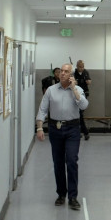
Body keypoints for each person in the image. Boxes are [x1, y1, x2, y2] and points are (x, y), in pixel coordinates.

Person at [36, 63, 89, 210]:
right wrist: (40, 127)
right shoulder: (51, 91)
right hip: (55, 129)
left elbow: (84, 106)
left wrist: (74, 89)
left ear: (71, 75)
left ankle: (73, 197)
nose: (63, 74)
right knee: (58, 162)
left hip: (72, 129)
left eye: (66, 72)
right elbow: (42, 109)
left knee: (72, 161)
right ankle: (61, 194)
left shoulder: (78, 89)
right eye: (62, 71)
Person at [74, 60, 92, 140]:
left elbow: (89, 82)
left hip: (84, 95)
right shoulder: (74, 73)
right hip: (76, 94)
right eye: (80, 66)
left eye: (82, 67)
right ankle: (84, 132)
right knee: (78, 114)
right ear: (77, 66)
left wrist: (87, 81)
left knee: (80, 114)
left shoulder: (85, 72)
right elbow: (73, 83)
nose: (81, 68)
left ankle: (82, 132)